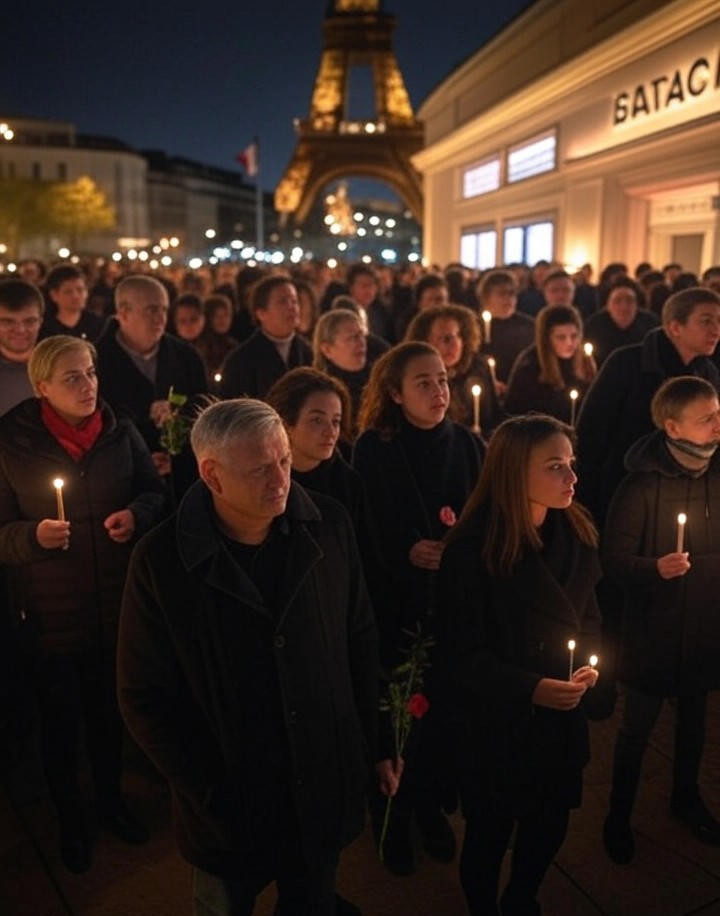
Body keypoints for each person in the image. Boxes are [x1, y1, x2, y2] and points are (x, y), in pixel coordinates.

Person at [117, 399, 381, 916]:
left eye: (283, 460)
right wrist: (210, 796)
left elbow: (360, 635)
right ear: (211, 475)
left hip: (320, 787)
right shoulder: (161, 563)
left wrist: (364, 745)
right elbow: (143, 697)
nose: (281, 478)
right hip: (230, 807)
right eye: (261, 468)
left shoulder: (328, 525)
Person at [0, 335, 166, 874]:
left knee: (107, 715)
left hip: (115, 605)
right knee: (59, 724)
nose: (88, 384)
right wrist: (31, 537)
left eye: (91, 372)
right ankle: (71, 820)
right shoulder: (12, 441)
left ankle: (111, 802)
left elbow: (154, 492)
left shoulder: (119, 432)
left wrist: (136, 515)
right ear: (42, 386)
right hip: (49, 614)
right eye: (73, 377)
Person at [436, 414, 600, 916]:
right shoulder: (473, 550)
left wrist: (590, 668)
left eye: (570, 464)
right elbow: (460, 654)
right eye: (555, 467)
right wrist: (531, 689)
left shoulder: (574, 529)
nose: (571, 478)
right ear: (513, 472)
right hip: (498, 726)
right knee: (490, 833)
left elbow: (591, 611)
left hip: (559, 720)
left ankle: (521, 897)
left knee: (549, 825)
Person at [353, 341, 483, 876]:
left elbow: (481, 513)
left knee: (443, 714)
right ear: (395, 393)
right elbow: (365, 521)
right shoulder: (374, 448)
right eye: (424, 382)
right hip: (396, 604)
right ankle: (390, 808)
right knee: (396, 710)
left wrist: (459, 550)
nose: (438, 391)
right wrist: (406, 550)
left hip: (451, 606)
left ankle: (429, 805)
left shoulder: (470, 444)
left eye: (443, 380)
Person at [602, 377, 720, 864]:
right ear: (673, 426)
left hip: (706, 626)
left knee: (694, 722)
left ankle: (685, 796)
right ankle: (617, 814)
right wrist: (655, 569)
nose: (718, 423)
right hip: (654, 630)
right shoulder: (641, 482)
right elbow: (613, 559)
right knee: (637, 729)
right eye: (707, 417)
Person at [576, 287, 720, 528]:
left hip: (681, 495)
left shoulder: (708, 373)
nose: (716, 330)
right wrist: (587, 499)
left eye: (718, 321)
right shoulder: (627, 363)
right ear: (675, 327)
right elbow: (591, 432)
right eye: (706, 321)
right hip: (621, 491)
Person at [95, 275, 208, 491]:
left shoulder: (186, 356)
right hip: (123, 483)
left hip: (181, 480)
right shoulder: (97, 362)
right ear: (124, 313)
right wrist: (142, 456)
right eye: (151, 310)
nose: (160, 319)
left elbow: (206, 407)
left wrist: (178, 412)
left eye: (164, 310)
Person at [266, 367, 366, 537]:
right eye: (317, 420)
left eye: (336, 421)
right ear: (286, 423)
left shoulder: (348, 484)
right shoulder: (268, 479)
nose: (331, 431)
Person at [405, 304, 502, 434]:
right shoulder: (418, 376)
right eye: (445, 338)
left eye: (458, 336)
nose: (454, 344)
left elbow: (494, 415)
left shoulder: (479, 367)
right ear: (426, 342)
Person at [220, 276, 312, 400]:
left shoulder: (308, 351)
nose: (292, 307)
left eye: (294, 301)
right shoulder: (241, 360)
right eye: (283, 301)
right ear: (261, 313)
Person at [505, 305, 596, 423]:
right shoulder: (529, 366)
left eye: (574, 336)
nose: (570, 343)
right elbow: (515, 413)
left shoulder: (585, 360)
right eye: (561, 337)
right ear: (546, 339)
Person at [313, 309, 377, 437]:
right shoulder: (320, 390)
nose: (361, 343)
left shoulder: (377, 378)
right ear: (327, 349)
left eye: (361, 335)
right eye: (352, 338)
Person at [475, 270, 535, 391]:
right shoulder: (474, 326)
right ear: (486, 297)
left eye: (512, 293)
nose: (509, 298)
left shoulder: (529, 325)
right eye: (502, 294)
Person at [584, 277, 659, 367]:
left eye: (629, 300)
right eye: (617, 301)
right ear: (607, 305)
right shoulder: (593, 326)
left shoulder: (651, 324)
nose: (624, 307)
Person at [0, 279, 44, 416]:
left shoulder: (62, 367)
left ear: (40, 322)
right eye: (8, 322)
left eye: (29, 321)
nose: (20, 330)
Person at [39, 264, 106, 342]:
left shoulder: (98, 325)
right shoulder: (44, 326)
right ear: (54, 295)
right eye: (68, 292)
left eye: (80, 290)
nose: (76, 296)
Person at [346, 263, 394, 343]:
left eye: (372, 285)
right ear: (351, 288)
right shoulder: (345, 314)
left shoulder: (382, 313)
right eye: (364, 285)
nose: (369, 290)